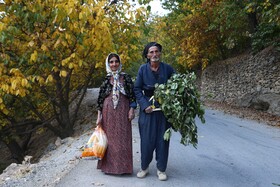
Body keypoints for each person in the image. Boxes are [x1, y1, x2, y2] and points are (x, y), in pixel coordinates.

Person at [134, 42, 175, 181]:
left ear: (160, 53)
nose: (154, 54)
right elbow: (137, 89)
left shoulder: (168, 69)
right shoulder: (142, 69)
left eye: (156, 51)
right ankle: (144, 167)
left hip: (164, 111)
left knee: (163, 140)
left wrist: (170, 102)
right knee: (147, 140)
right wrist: (145, 105)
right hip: (148, 111)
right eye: (151, 52)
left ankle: (161, 169)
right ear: (147, 55)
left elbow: (177, 85)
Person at [96, 52, 137, 175]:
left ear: (119, 63)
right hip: (108, 112)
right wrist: (99, 116)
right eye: (111, 62)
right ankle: (109, 168)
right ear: (108, 64)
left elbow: (132, 96)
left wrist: (132, 109)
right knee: (110, 140)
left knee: (123, 139)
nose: (114, 64)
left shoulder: (126, 78)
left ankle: (123, 168)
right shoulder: (107, 79)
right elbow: (100, 99)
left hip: (123, 111)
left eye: (116, 61)